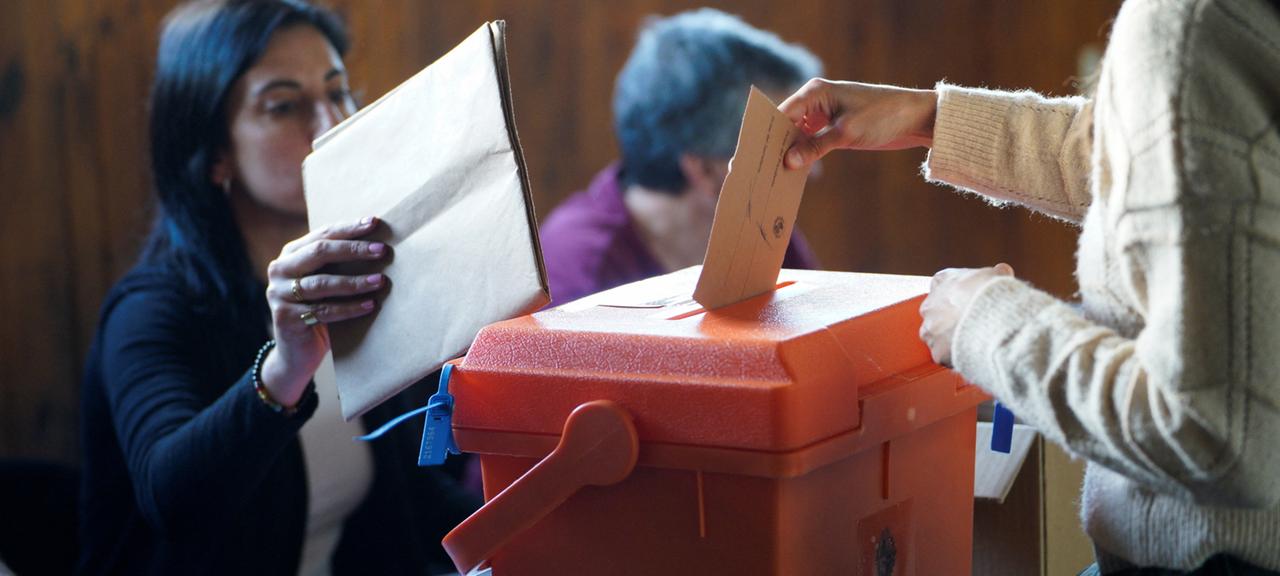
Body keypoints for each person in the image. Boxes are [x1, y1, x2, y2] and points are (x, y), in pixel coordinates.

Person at [779, 0, 1280, 573]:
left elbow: (1215, 436)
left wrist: (986, 321)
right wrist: (933, 116)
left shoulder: (1192, 24)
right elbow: (1166, 164)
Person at [77, 1, 478, 574]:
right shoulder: (151, 310)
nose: (330, 125)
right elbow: (173, 503)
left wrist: (515, 539)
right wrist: (286, 365)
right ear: (215, 153)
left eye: (338, 92)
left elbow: (409, 502)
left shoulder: (359, 277)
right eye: (285, 106)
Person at [538, 8, 824, 305]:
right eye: (784, 151)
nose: (812, 170)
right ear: (705, 170)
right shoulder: (581, 273)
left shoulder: (762, 233)